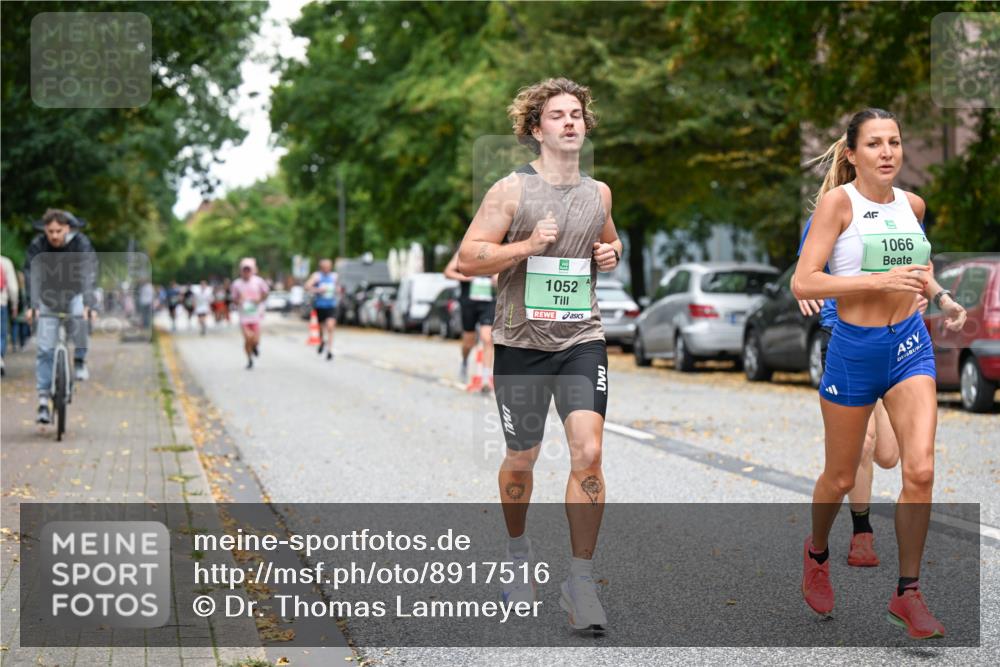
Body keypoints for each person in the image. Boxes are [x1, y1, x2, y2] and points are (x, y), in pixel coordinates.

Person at [793, 108, 967, 639]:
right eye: (874, 144)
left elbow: (919, 267)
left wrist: (939, 296)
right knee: (841, 477)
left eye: (894, 142)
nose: (887, 152)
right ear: (852, 153)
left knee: (920, 471)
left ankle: (908, 593)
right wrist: (875, 282)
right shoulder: (837, 205)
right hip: (853, 351)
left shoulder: (913, 205)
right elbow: (804, 283)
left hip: (910, 349)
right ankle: (817, 551)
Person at [457, 78, 622, 634]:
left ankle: (579, 581)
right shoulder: (510, 191)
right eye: (558, 115)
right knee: (522, 462)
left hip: (580, 339)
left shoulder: (598, 193)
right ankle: (518, 553)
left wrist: (610, 251)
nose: (571, 122)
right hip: (521, 345)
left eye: (577, 114)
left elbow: (610, 242)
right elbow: (469, 257)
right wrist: (526, 246)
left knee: (589, 452)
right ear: (536, 129)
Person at [796, 215, 922, 568]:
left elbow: (917, 268)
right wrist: (802, 291)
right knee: (862, 445)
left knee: (887, 455)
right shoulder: (833, 210)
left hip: (895, 338)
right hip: (844, 335)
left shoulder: (903, 210)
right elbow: (806, 274)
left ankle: (873, 399)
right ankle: (861, 533)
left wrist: (921, 293)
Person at [23, 209, 98, 424]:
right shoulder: (38, 246)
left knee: (80, 320)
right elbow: (31, 275)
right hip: (47, 298)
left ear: (68, 228)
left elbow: (87, 273)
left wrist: (88, 304)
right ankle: (43, 401)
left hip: (74, 294)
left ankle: (80, 360)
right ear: (44, 230)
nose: (54, 236)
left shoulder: (80, 244)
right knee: (45, 349)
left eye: (59, 231)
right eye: (50, 231)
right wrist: (32, 305)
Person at [444, 250, 498, 389]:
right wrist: (465, 277)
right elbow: (448, 272)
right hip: (469, 303)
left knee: (487, 338)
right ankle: (464, 360)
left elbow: (504, 271)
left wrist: (497, 277)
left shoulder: (495, 250)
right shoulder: (464, 251)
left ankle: (486, 379)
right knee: (469, 342)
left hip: (488, 302)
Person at [230, 258, 269, 369]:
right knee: (248, 338)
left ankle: (255, 346)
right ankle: (249, 359)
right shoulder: (236, 284)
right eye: (244, 270)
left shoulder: (258, 281)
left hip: (256, 315)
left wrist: (259, 299)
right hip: (244, 316)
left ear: (252, 270)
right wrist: (239, 301)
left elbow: (266, 293)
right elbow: (233, 299)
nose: (246, 272)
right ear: (241, 271)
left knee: (255, 340)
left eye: (248, 269)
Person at [304, 258, 338, 361]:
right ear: (321, 267)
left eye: (328, 267)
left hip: (331, 306)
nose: (327, 269)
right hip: (320, 306)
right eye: (325, 267)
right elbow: (306, 286)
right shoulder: (317, 276)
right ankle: (322, 341)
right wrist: (318, 290)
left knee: (330, 327)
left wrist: (338, 290)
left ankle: (329, 350)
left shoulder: (334, 276)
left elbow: (339, 287)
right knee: (321, 328)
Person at [1, 254, 19, 377]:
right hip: (1, 303)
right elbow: (13, 288)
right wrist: (14, 305)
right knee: (1, 334)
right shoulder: (5, 262)